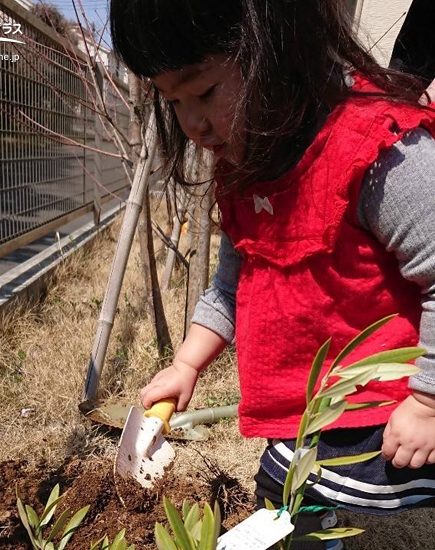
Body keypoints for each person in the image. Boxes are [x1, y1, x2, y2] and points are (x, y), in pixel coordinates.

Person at [110, 1, 435, 548]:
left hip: (384, 418)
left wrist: (427, 402)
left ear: (275, 47)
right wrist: (187, 362)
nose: (191, 122)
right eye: (174, 101)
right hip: (300, 424)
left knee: (335, 507)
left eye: (204, 91)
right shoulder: (245, 167)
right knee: (284, 496)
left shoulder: (378, 151)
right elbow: (230, 286)